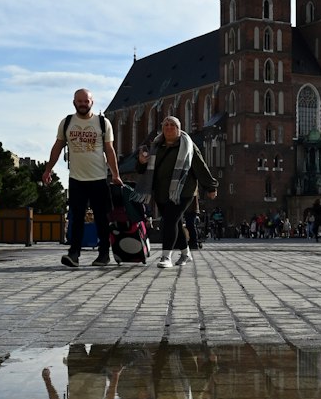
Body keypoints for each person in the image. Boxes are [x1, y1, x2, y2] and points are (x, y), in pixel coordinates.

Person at [42, 88, 122, 268]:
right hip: (76, 178)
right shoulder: (67, 122)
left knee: (102, 218)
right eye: (80, 101)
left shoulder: (102, 123)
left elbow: (109, 150)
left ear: (92, 102)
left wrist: (115, 174)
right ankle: (74, 254)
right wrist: (48, 169)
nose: (83, 104)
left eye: (86, 101)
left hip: (98, 178)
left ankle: (103, 254)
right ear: (74, 102)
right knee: (76, 217)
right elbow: (57, 147)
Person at [137, 116, 218, 267]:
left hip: (183, 191)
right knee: (175, 222)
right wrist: (141, 162)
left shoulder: (188, 146)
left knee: (169, 220)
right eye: (166, 124)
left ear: (179, 128)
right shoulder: (156, 146)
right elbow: (143, 169)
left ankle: (166, 256)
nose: (168, 127)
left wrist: (211, 187)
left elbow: (200, 166)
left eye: (172, 125)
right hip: (161, 192)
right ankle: (186, 254)